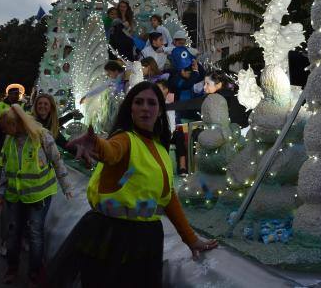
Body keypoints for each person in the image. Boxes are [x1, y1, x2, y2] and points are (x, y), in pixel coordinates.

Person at [49, 81, 217, 287]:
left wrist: (191, 239)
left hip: (145, 240)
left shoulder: (160, 149)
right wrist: (97, 145)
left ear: (159, 110)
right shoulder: (125, 138)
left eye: (151, 103)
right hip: (113, 238)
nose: (145, 107)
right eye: (138, 102)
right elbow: (111, 151)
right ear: (131, 108)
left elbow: (168, 197)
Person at [0, 104, 72, 285]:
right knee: (13, 234)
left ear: (16, 124)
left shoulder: (42, 136)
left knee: (35, 233)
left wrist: (66, 187)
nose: (4, 131)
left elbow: (57, 161)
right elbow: (4, 166)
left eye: (6, 126)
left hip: (39, 196)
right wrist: (2, 189)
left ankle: (35, 271)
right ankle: (12, 267)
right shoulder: (9, 140)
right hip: (15, 195)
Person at [0, 85, 25, 189]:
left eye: (18, 94)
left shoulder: (21, 105)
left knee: (14, 158)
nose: (17, 96)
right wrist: (2, 126)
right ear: (9, 94)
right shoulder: (0, 105)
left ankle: (12, 181)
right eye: (15, 94)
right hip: (1, 136)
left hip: (16, 137)